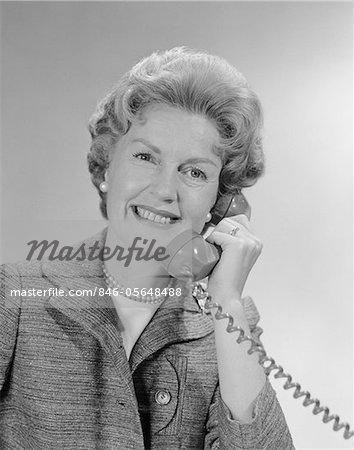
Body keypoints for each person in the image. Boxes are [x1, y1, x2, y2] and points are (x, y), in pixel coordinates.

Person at [0, 47, 294, 449]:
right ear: (106, 169)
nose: (163, 190)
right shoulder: (15, 297)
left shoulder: (227, 324)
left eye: (194, 171)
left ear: (220, 201)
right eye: (145, 156)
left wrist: (226, 300)